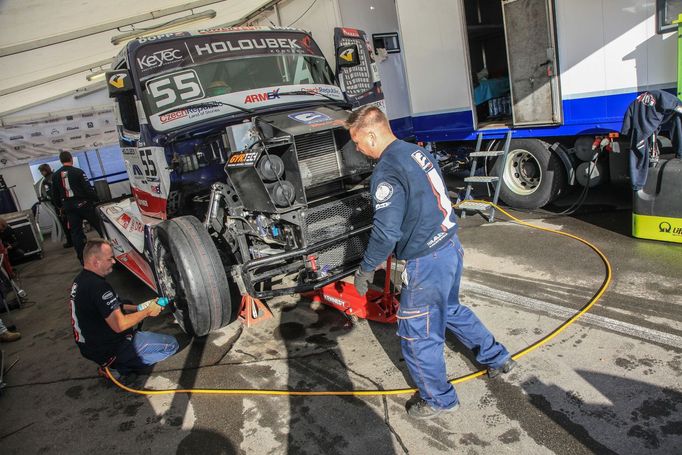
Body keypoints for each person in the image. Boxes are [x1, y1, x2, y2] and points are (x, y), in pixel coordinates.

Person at [346, 106, 516, 419]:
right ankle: (498, 357)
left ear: (372, 133)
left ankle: (439, 400)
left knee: (418, 335)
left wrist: (366, 267)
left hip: (426, 261)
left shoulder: (385, 171)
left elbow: (385, 232)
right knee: (450, 310)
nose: (357, 148)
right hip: (450, 246)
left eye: (357, 141)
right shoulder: (415, 152)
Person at [69, 239, 178, 378]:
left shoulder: (81, 280)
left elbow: (116, 304)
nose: (114, 262)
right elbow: (119, 325)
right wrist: (148, 311)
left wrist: (140, 307)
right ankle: (119, 368)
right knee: (171, 345)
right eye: (109, 259)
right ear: (96, 262)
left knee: (126, 303)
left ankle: (113, 362)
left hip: (90, 346)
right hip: (109, 349)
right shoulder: (99, 287)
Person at [51, 151, 103, 263]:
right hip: (84, 204)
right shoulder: (78, 172)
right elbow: (88, 189)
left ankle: (82, 258)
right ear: (71, 159)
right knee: (100, 226)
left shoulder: (55, 176)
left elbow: (54, 195)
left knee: (76, 233)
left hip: (69, 207)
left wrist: (60, 206)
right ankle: (109, 250)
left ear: (61, 161)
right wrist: (97, 199)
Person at [38, 163, 72, 248]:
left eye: (41, 171)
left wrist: (46, 199)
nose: (41, 173)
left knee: (64, 224)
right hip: (67, 202)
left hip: (59, 205)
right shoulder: (56, 176)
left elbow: (51, 194)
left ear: (45, 171)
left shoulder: (46, 181)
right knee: (71, 222)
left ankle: (70, 241)